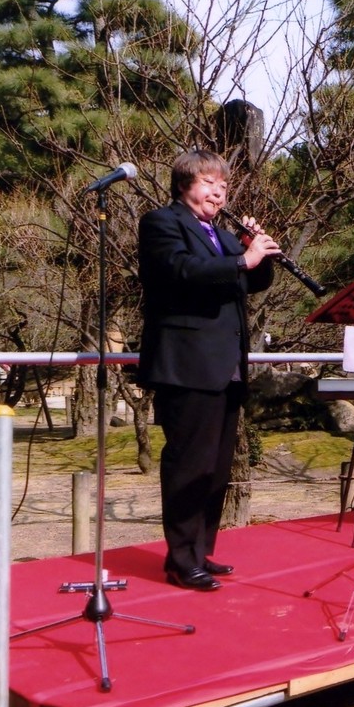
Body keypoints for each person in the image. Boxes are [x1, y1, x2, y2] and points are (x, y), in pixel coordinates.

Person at [137, 149, 281, 591]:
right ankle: (181, 559)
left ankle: (200, 550)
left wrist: (256, 255)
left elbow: (249, 284)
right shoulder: (162, 222)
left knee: (216, 468)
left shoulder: (217, 234)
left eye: (223, 185)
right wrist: (241, 259)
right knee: (188, 464)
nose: (219, 192)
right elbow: (181, 270)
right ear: (185, 185)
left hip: (225, 366)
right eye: (209, 183)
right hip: (187, 363)